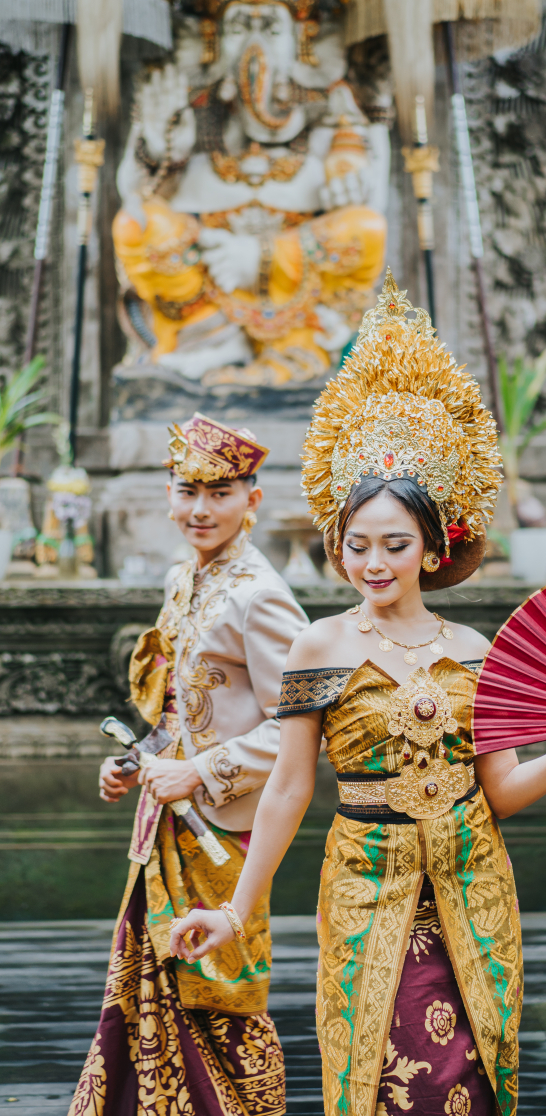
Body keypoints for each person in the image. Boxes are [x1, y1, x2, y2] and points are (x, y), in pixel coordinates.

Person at [170, 273, 546, 1116]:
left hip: (473, 882)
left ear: (432, 549)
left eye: (394, 544)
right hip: (365, 883)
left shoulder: (475, 652)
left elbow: (499, 790)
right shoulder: (317, 645)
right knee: (379, 1073)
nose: (373, 563)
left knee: (465, 1077)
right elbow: (290, 787)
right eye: (356, 544)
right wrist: (236, 909)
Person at [70, 413, 309, 1116]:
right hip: (164, 823)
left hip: (224, 837)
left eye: (220, 493)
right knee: (151, 988)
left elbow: (299, 732)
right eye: (186, 491)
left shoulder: (261, 596)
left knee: (219, 995)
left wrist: (200, 773)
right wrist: (136, 761)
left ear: (252, 500)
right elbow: (176, 714)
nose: (200, 509)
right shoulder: (185, 578)